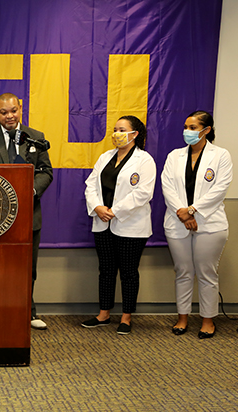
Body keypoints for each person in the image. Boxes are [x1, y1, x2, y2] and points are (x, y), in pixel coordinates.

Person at [0, 93, 53, 330]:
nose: (9, 116)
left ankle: (28, 313)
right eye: (4, 112)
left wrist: (31, 191)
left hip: (28, 214)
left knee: (27, 267)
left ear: (20, 109)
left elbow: (46, 171)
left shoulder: (36, 137)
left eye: (13, 111)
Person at [161, 110, 232, 339]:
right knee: (183, 271)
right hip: (177, 221)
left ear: (206, 130)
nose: (187, 132)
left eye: (192, 127)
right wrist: (182, 212)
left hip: (209, 224)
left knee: (206, 272)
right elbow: (167, 187)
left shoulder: (221, 156)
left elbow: (220, 189)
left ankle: (208, 320)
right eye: (186, 127)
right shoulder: (174, 156)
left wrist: (193, 210)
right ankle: (182, 318)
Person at [82, 116, 156, 335]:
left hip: (130, 226)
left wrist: (115, 211)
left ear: (134, 134)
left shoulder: (144, 160)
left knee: (128, 272)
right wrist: (98, 207)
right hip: (103, 222)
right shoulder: (105, 157)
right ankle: (103, 314)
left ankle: (126, 317)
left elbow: (143, 193)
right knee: (106, 270)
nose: (116, 134)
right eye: (115, 130)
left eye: (121, 130)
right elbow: (90, 185)